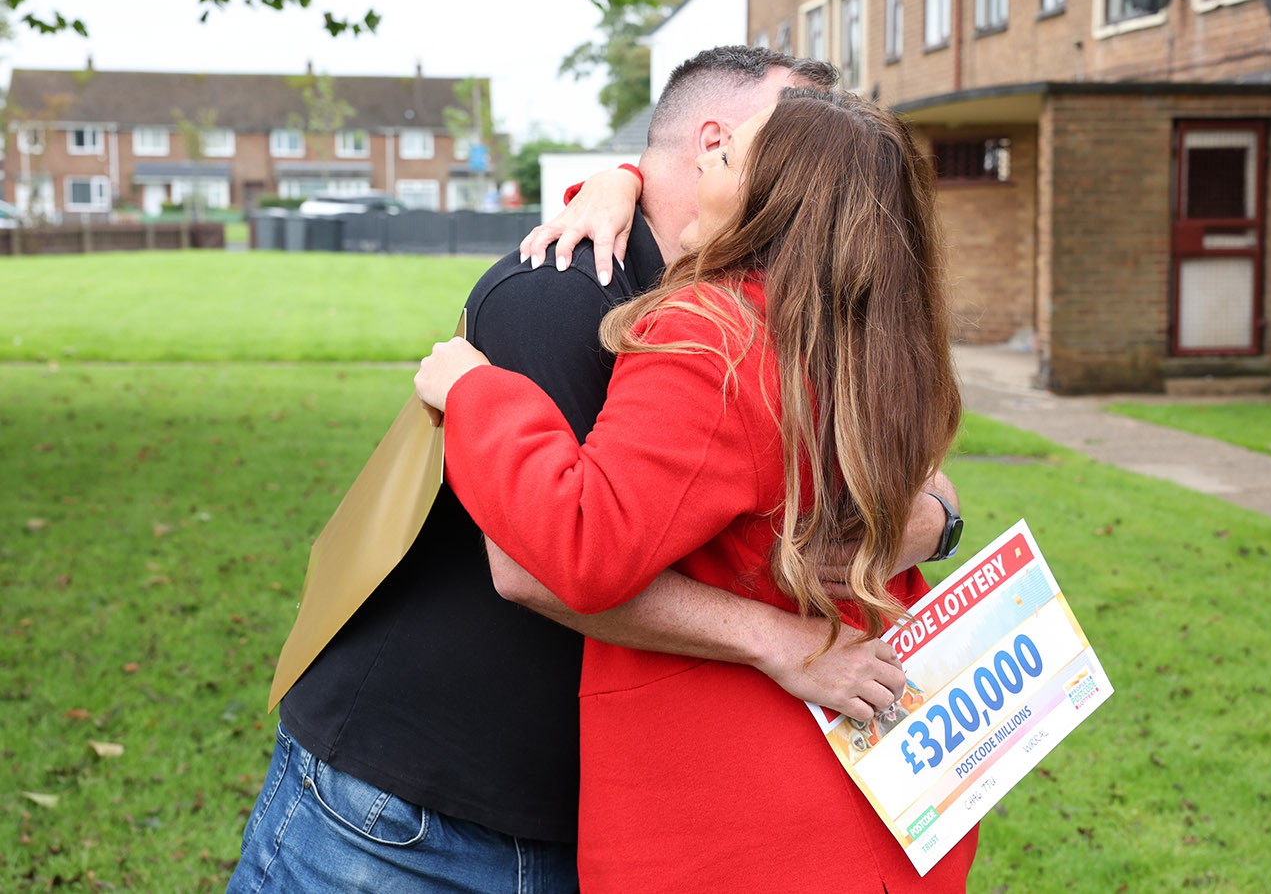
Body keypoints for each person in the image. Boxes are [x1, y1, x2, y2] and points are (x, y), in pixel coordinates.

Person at [227, 47, 961, 894]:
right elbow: (538, 566)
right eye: (732, 144)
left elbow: (915, 482)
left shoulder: (787, 326)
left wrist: (930, 520)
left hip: (609, 804)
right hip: (419, 814)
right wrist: (782, 636)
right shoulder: (567, 294)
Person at [413, 87, 977, 893]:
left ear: (768, 198)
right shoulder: (881, 346)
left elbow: (586, 544)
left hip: (727, 813)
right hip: (883, 787)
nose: (701, 159)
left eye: (724, 155)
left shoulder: (712, 336)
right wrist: (617, 182)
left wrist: (476, 393)